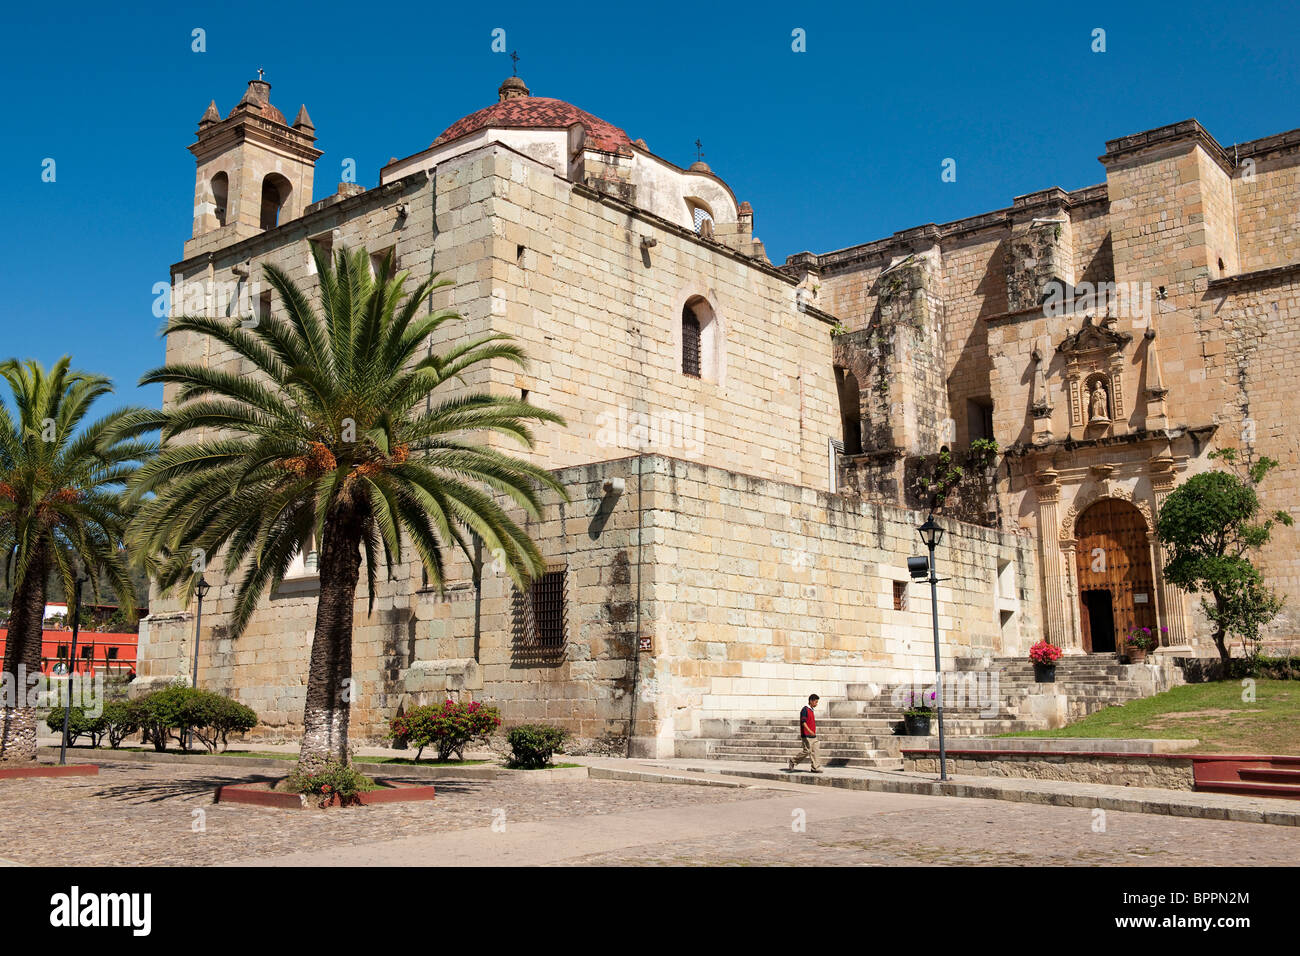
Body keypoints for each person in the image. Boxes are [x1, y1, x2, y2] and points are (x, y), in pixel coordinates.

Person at [786, 693, 823, 773]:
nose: (816, 704)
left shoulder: (811, 710)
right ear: (811, 701)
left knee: (816, 750)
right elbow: (803, 722)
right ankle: (793, 761)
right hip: (806, 735)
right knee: (807, 751)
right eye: (816, 702)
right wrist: (809, 731)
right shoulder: (805, 710)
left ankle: (815, 767)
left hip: (813, 735)